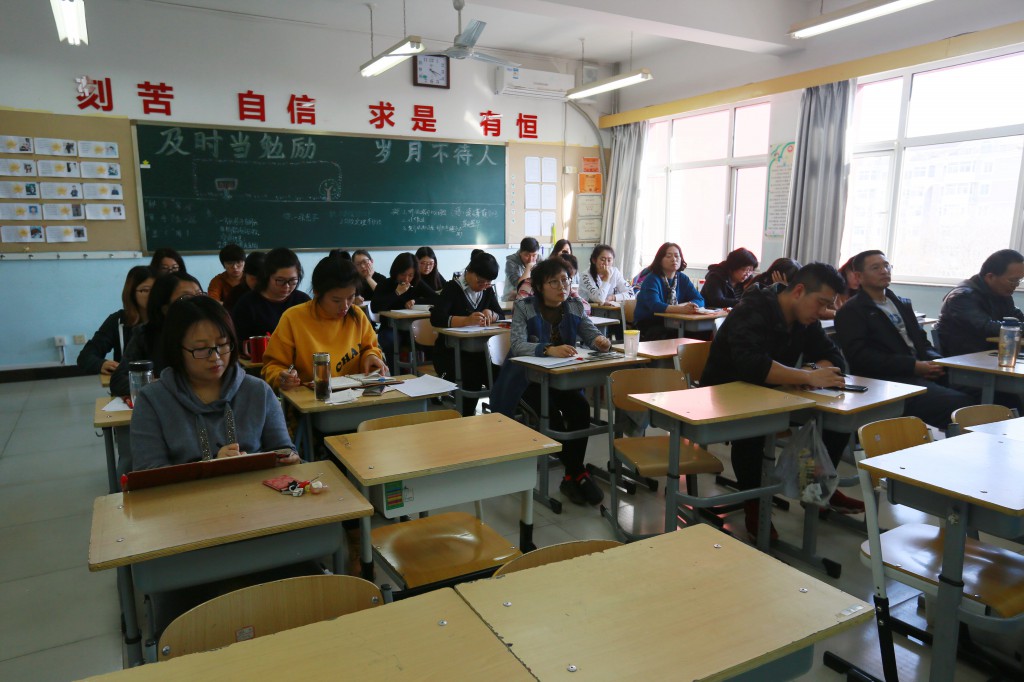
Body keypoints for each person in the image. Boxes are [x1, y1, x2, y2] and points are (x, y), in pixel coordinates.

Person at [701, 262, 863, 541]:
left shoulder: (804, 318)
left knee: (839, 418)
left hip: (773, 393)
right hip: (725, 395)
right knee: (754, 430)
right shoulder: (752, 308)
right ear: (799, 291)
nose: (823, 312)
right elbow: (751, 364)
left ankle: (816, 483)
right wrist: (806, 376)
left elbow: (834, 356)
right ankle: (754, 504)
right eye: (821, 303)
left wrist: (815, 371)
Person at [492, 258, 612, 506]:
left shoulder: (574, 305)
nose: (562, 286)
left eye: (565, 280)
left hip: (558, 379)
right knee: (553, 419)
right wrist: (547, 349)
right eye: (553, 282)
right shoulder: (524, 306)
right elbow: (517, 344)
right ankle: (578, 473)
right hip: (524, 381)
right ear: (539, 286)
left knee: (580, 409)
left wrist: (600, 342)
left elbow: (590, 333)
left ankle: (572, 475)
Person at [130, 295, 298, 470]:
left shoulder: (258, 391)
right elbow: (148, 471)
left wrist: (288, 458)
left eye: (223, 344)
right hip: (188, 489)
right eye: (202, 349)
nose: (215, 357)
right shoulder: (152, 400)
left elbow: (283, 449)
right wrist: (212, 467)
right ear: (177, 349)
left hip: (255, 486)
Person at [835, 250, 973, 428]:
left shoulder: (901, 303)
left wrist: (934, 362)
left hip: (919, 370)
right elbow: (861, 358)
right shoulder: (852, 311)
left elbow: (922, 342)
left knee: (981, 392)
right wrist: (913, 366)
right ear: (859, 276)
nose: (884, 271)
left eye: (886, 266)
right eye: (876, 268)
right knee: (959, 404)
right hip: (888, 380)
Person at [263, 256, 388, 392]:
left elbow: (370, 348)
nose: (345, 306)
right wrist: (281, 377)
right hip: (311, 398)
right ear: (317, 293)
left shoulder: (357, 315)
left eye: (350, 297)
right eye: (336, 300)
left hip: (355, 395)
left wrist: (371, 356)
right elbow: (272, 366)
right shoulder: (293, 318)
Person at [430, 250, 504, 416]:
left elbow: (501, 314)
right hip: (450, 353)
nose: (483, 286)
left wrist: (491, 314)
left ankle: (502, 418)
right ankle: (465, 418)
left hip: (482, 352)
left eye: (488, 283)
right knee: (471, 378)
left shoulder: (487, 290)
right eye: (480, 281)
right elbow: (436, 318)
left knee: (501, 374)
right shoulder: (452, 288)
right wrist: (465, 321)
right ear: (469, 272)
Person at [109, 272, 203, 397]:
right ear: (165, 308)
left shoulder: (213, 332)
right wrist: (157, 385)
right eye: (186, 298)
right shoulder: (145, 334)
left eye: (200, 295)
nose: (197, 302)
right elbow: (118, 381)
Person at [937, 249, 1024, 357]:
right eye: (1012, 280)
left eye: (1019, 280)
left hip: (992, 355)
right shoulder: (962, 297)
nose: (1016, 285)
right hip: (964, 359)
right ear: (990, 277)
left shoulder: (1001, 294)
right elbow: (986, 327)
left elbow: (1016, 317)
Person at [78, 265, 155, 376]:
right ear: (131, 293)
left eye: (157, 289)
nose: (153, 295)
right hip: (128, 382)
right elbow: (86, 356)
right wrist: (101, 364)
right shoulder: (118, 320)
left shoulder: (169, 319)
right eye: (146, 290)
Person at [372, 252, 439, 369]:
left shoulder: (416, 283)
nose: (407, 279)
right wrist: (396, 293)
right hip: (390, 328)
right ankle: (398, 374)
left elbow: (436, 299)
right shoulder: (385, 284)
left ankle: (427, 372)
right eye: (403, 275)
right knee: (391, 341)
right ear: (396, 272)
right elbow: (375, 306)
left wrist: (415, 301)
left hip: (412, 328)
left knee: (430, 337)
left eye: (411, 275)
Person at [230, 247, 310, 340]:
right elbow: (239, 341)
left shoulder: (303, 301)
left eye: (292, 280)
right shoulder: (247, 304)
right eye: (280, 280)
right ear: (266, 276)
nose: (287, 286)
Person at [634, 242, 704, 340]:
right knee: (666, 334)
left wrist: (688, 305)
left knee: (701, 334)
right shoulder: (652, 279)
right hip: (650, 322)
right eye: (669, 256)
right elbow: (655, 305)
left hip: (676, 321)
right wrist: (681, 309)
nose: (674, 259)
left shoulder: (683, 278)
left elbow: (700, 300)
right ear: (660, 260)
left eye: (677, 256)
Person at [502, 237, 540, 301]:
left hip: (531, 299)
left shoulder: (539, 259)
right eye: (527, 255)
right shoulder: (511, 262)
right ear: (520, 252)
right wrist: (528, 268)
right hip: (511, 300)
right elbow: (519, 285)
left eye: (534, 255)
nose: (530, 259)